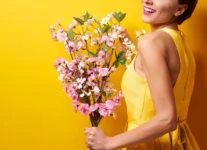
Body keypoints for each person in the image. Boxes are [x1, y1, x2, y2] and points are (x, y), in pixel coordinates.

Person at [84, 0, 199, 149]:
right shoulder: (180, 40)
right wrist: (128, 48)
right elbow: (147, 85)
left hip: (151, 143)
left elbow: (166, 119)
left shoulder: (150, 43)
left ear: (180, 10)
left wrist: (108, 143)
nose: (147, 0)